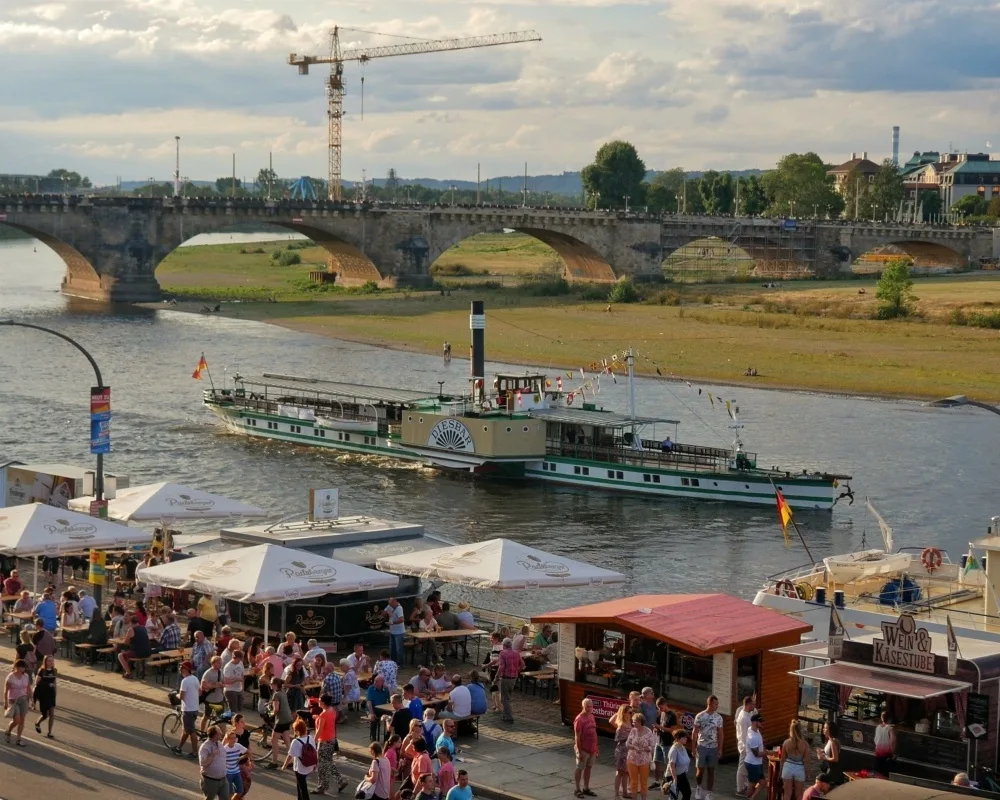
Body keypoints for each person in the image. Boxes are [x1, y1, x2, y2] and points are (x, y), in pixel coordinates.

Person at [314, 693, 348, 795]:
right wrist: (317, 718)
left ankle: (322, 786)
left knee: (321, 765)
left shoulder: (323, 715)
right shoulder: (332, 710)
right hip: (332, 740)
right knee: (328, 762)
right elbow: (328, 724)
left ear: (323, 702)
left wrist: (313, 740)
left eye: (320, 700)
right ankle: (340, 780)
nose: (318, 701)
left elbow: (320, 730)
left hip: (324, 742)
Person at [693, 694, 724, 800]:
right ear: (709, 704)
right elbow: (695, 732)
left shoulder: (719, 718)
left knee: (711, 770)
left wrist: (720, 748)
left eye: (717, 704)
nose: (717, 706)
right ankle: (698, 787)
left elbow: (720, 733)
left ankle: (709, 792)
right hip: (701, 746)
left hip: (713, 747)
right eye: (715, 704)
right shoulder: (700, 716)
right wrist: (693, 747)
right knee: (700, 770)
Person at [284, 717, 318, 800]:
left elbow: (290, 755)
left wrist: (284, 765)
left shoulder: (295, 742)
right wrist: (315, 764)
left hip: (300, 768)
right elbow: (314, 751)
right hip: (309, 765)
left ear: (297, 731)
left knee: (303, 787)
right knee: (299, 784)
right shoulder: (310, 738)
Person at [626, 712, 657, 800]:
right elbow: (627, 743)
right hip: (632, 759)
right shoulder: (633, 730)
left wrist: (645, 749)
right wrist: (634, 747)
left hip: (644, 760)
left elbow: (653, 745)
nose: (633, 723)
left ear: (640, 721)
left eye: (634, 721)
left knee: (643, 782)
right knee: (633, 781)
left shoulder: (648, 731)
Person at [265, 677, 295, 770]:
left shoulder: (276, 695)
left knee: (274, 741)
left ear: (274, 685)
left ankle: (274, 762)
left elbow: (276, 709)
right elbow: (279, 702)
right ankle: (292, 760)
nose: (270, 685)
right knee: (287, 740)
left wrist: (270, 715)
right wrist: (270, 702)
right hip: (288, 718)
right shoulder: (282, 692)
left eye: (271, 683)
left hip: (281, 720)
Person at [174, 661, 201, 758]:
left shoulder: (184, 681)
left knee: (191, 731)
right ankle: (178, 748)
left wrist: (176, 695)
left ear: (186, 670)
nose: (181, 671)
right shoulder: (195, 679)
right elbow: (200, 692)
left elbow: (181, 696)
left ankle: (194, 752)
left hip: (187, 709)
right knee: (186, 730)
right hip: (195, 709)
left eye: (182, 669)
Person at [574, 698, 599, 798]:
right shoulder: (579, 720)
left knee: (589, 768)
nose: (589, 708)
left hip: (592, 748)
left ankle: (586, 788)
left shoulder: (592, 717)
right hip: (583, 749)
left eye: (591, 706)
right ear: (583, 707)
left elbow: (594, 732)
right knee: (580, 768)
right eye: (587, 706)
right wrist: (579, 752)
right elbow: (577, 737)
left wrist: (596, 746)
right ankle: (577, 789)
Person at [779, 719, 811, 800]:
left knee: (787, 794)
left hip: (788, 767)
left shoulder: (786, 742)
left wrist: (780, 771)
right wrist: (808, 772)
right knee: (799, 795)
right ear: (800, 730)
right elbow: (807, 760)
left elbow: (782, 759)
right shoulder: (805, 744)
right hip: (799, 768)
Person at [496, 637, 524, 723]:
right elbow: (523, 664)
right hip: (514, 678)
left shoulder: (502, 653)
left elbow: (501, 666)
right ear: (511, 645)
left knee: (505, 698)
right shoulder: (516, 653)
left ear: (504, 645)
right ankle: (506, 714)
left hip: (506, 678)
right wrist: (517, 671)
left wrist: (497, 675)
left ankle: (509, 716)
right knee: (508, 697)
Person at [4, 659, 31, 747]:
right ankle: (8, 731)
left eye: (24, 667)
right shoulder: (11, 676)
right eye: (22, 667)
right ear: (17, 667)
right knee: (17, 720)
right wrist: (6, 702)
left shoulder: (26, 676)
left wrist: (32, 699)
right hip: (13, 700)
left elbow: (28, 688)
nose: (23, 669)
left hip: (23, 700)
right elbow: (6, 690)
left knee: (22, 720)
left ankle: (18, 739)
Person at [199, 724, 228, 800]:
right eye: (219, 733)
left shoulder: (219, 743)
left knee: (225, 798)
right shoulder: (205, 747)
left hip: (223, 779)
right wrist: (212, 755)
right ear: (214, 735)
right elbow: (203, 763)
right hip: (210, 780)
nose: (221, 733)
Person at [118, 614, 152, 679]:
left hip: (138, 653)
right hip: (148, 652)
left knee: (120, 655)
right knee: (127, 652)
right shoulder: (143, 628)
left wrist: (128, 640)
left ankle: (128, 673)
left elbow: (125, 642)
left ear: (131, 622)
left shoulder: (131, 629)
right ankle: (133, 670)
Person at [653, 697, 677, 787]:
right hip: (659, 741)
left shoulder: (672, 715)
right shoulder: (661, 713)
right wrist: (656, 728)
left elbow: (672, 730)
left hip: (667, 742)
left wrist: (659, 727)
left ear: (665, 704)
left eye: (661, 707)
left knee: (668, 763)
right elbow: (658, 724)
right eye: (658, 708)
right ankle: (656, 781)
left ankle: (667, 781)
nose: (660, 709)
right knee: (656, 761)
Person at [32, 654, 57, 739]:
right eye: (49, 660)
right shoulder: (42, 670)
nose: (51, 662)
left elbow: (54, 682)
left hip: (51, 695)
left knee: (52, 714)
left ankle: (50, 732)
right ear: (45, 661)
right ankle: (38, 723)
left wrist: (55, 693)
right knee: (45, 715)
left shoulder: (54, 670)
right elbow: (36, 683)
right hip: (43, 695)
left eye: (52, 660)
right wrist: (34, 699)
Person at [734, 695, 755, 795]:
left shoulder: (746, 714)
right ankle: (739, 789)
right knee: (742, 768)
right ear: (748, 704)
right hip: (745, 746)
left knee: (745, 768)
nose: (754, 706)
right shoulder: (743, 717)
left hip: (747, 746)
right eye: (753, 704)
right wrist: (747, 747)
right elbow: (743, 735)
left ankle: (744, 785)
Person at [744, 713, 767, 800]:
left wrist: (765, 750)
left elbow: (760, 745)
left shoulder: (754, 730)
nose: (762, 723)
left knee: (763, 782)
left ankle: (752, 798)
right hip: (752, 763)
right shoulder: (752, 737)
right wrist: (768, 753)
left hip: (757, 763)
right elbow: (757, 754)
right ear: (754, 722)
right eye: (760, 721)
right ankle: (749, 797)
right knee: (752, 783)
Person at [200, 656, 226, 732]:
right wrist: (215, 685)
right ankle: (202, 732)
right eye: (219, 663)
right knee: (206, 716)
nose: (220, 664)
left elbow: (224, 683)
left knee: (222, 719)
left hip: (219, 699)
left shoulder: (221, 672)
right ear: (213, 663)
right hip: (210, 699)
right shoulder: (208, 673)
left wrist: (222, 685)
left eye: (221, 663)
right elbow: (203, 686)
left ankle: (224, 735)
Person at [612, 703, 632, 800]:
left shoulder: (629, 723)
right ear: (623, 713)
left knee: (626, 773)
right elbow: (619, 739)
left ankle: (625, 792)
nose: (631, 714)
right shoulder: (622, 725)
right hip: (622, 751)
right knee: (620, 772)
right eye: (629, 712)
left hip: (628, 751)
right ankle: (616, 794)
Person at [222, 728, 248, 800]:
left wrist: (240, 758)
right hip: (227, 773)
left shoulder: (238, 746)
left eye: (235, 738)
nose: (234, 740)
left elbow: (248, 752)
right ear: (227, 739)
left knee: (240, 791)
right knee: (229, 793)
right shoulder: (224, 749)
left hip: (236, 772)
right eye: (231, 738)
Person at [668, 729, 693, 800]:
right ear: (678, 738)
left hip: (682, 774)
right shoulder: (674, 750)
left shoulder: (683, 747)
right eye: (684, 737)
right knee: (675, 796)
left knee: (687, 793)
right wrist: (675, 780)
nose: (686, 738)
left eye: (686, 737)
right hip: (674, 775)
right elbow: (672, 766)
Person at [366, 674, 391, 741]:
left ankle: (388, 737)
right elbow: (369, 702)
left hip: (383, 709)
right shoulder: (371, 688)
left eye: (377, 681)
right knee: (373, 719)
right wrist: (371, 713)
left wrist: (389, 689)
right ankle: (373, 738)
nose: (375, 682)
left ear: (382, 682)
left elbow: (391, 700)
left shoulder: (385, 689)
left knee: (392, 717)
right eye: (375, 681)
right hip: (372, 708)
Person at [383, 597, 406, 665]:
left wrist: (392, 622)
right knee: (392, 648)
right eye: (389, 604)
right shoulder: (389, 606)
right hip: (392, 631)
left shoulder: (399, 608)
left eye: (391, 604)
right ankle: (393, 662)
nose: (390, 606)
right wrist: (386, 612)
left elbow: (401, 620)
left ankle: (400, 664)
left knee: (399, 649)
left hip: (399, 632)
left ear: (395, 602)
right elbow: (383, 614)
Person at [223, 643, 245, 712]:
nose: (239, 661)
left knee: (240, 710)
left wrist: (242, 689)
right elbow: (226, 682)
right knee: (233, 711)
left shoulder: (240, 663)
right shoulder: (228, 667)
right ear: (234, 658)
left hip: (239, 689)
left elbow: (242, 675)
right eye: (238, 660)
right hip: (230, 690)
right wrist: (236, 679)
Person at [873, 711, 895, 777]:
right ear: (890, 719)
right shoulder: (890, 728)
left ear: (881, 718)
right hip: (887, 756)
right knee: (886, 775)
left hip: (877, 754)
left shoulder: (877, 727)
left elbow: (875, 740)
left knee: (877, 774)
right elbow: (893, 741)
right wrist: (893, 753)